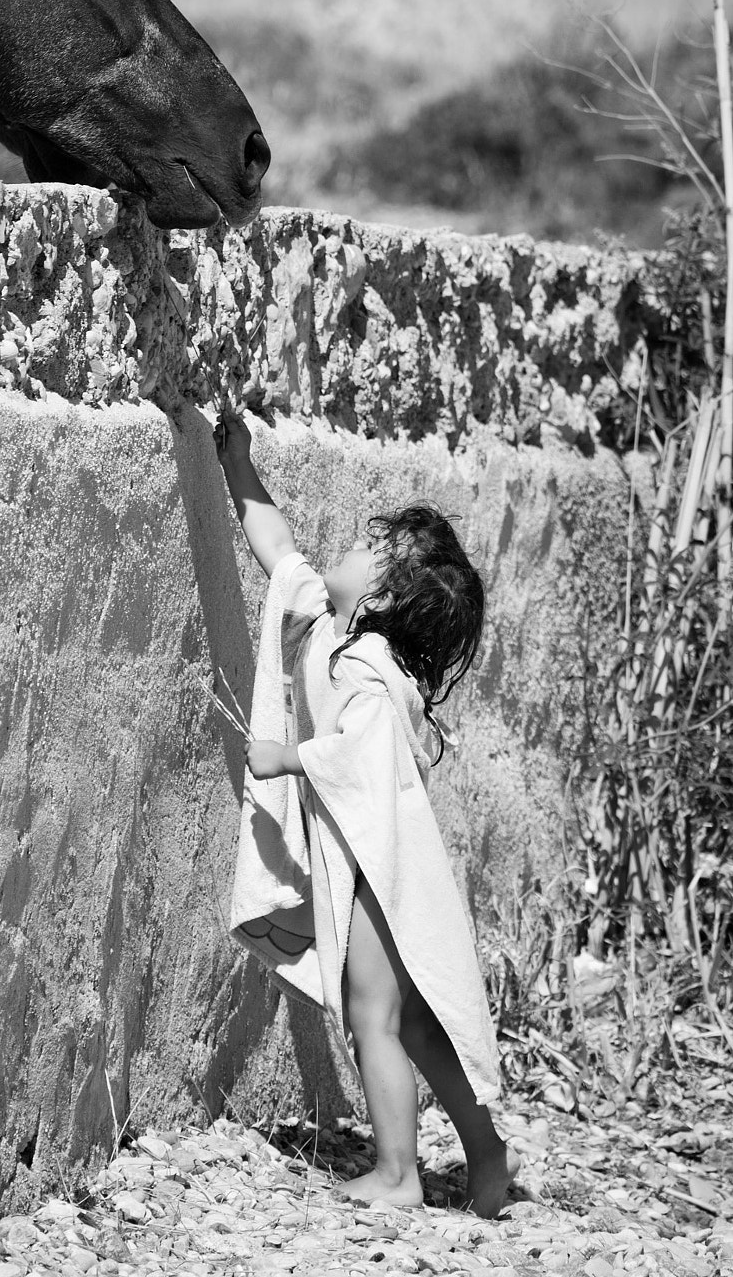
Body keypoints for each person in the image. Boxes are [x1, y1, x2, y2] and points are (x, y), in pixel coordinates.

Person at [214, 409, 520, 1218]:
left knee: (374, 1020)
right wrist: (236, 464)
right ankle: (486, 1153)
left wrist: (285, 757)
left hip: (383, 874)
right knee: (411, 1027)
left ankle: (398, 1174)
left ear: (379, 590)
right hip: (368, 864)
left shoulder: (372, 668)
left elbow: (363, 753)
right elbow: (277, 551)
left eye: (363, 549)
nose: (342, 548)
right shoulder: (327, 632)